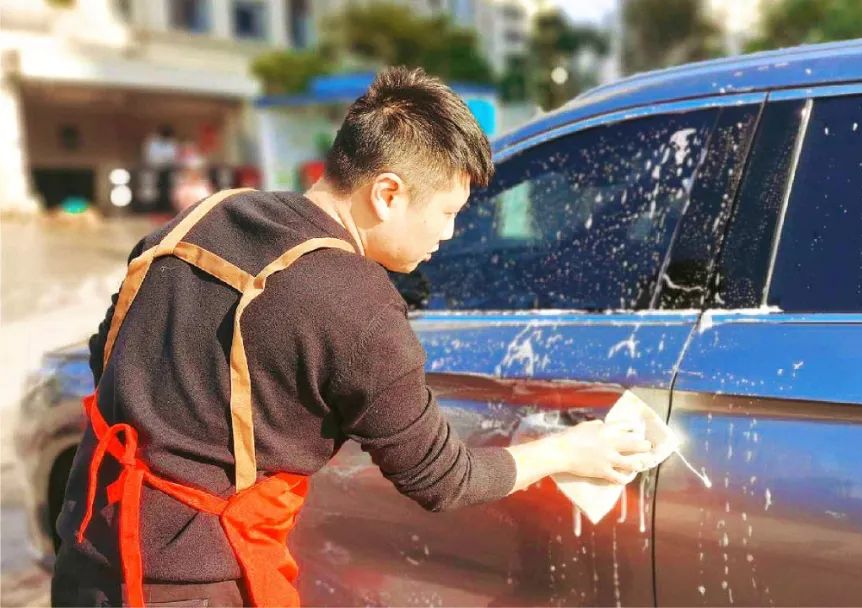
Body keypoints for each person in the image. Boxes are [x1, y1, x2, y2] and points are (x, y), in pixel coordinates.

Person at [51, 67, 652, 607]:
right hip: (191, 584)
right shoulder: (358, 306)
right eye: (448, 213)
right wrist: (568, 452)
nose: (449, 234)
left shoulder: (202, 217)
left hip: (88, 548)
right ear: (387, 194)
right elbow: (444, 478)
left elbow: (110, 354)